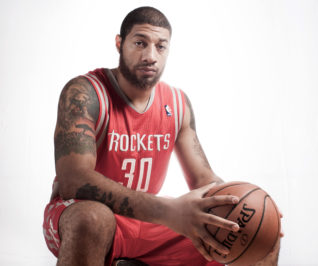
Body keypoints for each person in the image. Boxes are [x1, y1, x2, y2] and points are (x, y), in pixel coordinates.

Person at [43, 6, 280, 266]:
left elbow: (204, 180)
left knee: (256, 233)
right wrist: (167, 210)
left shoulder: (177, 104)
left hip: (149, 220)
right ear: (119, 43)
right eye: (140, 43)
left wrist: (251, 205)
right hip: (80, 212)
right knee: (92, 218)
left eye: (160, 46)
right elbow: (73, 180)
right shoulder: (87, 92)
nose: (150, 55)